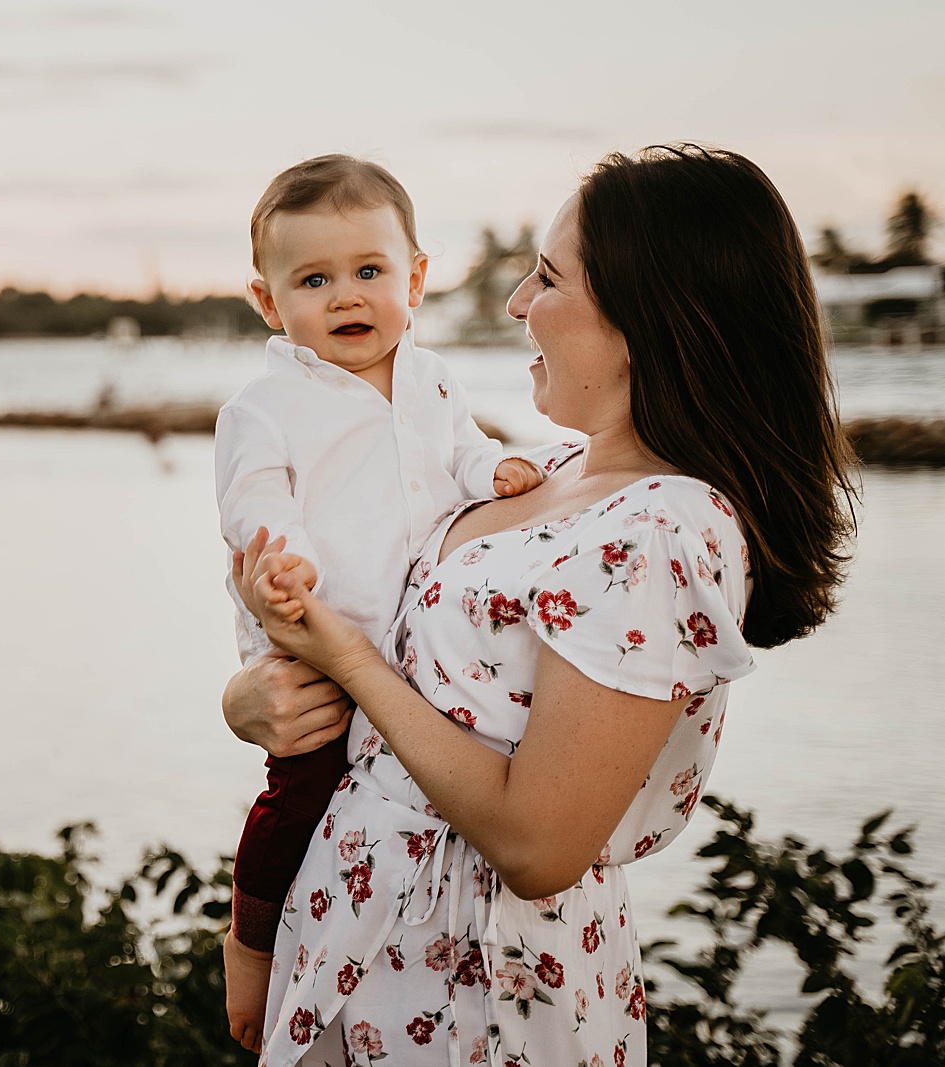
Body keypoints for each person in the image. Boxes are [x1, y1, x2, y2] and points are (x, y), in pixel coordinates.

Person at [223, 144, 858, 1066]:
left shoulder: (666, 527)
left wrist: (347, 661)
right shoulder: (545, 476)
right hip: (350, 939)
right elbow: (375, 628)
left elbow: (538, 843)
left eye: (549, 277)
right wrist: (251, 697)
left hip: (477, 994)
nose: (517, 301)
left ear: (651, 314)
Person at [217, 154, 545, 1051]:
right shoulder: (266, 405)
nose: (346, 296)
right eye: (313, 280)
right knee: (302, 795)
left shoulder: (433, 380)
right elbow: (254, 500)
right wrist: (282, 561)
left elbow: (466, 449)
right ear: (268, 301)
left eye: (369, 272)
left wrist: (496, 472)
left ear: (417, 278)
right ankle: (251, 942)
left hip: (413, 655)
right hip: (315, 639)